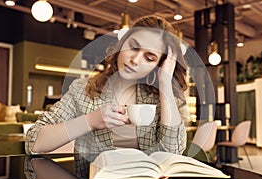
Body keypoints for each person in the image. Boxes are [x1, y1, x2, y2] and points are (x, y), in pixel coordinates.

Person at [25, 15, 189, 156]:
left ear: (158, 65)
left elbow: (173, 153)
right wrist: (89, 121)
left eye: (150, 58)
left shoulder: (160, 100)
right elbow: (33, 142)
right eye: (133, 47)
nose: (135, 60)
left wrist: (165, 83)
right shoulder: (82, 90)